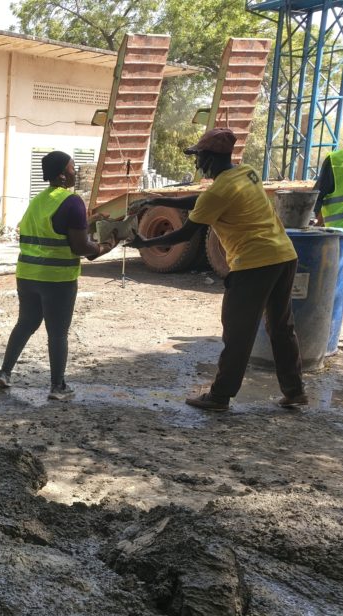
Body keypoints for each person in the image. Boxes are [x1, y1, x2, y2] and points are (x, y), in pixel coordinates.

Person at [130, 127, 306, 412]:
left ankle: (220, 396)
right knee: (281, 327)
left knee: (238, 332)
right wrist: (157, 199)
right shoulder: (246, 173)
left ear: (210, 158)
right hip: (284, 256)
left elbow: (184, 234)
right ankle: (295, 390)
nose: (197, 164)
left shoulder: (220, 190)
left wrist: (145, 242)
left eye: (198, 157)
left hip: (254, 263)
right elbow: (204, 200)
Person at [0, 151, 113, 400]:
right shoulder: (73, 201)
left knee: (26, 322)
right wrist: (106, 246)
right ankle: (58, 387)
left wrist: (89, 222)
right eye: (71, 168)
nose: (74, 172)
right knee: (57, 332)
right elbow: (80, 247)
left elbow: (55, 230)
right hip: (57, 279)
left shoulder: (38, 201)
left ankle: (4, 372)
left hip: (27, 274)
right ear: (61, 174)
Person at [314, 118, 343, 349]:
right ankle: (327, 332)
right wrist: (310, 220)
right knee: (336, 281)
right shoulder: (336, 160)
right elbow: (318, 193)